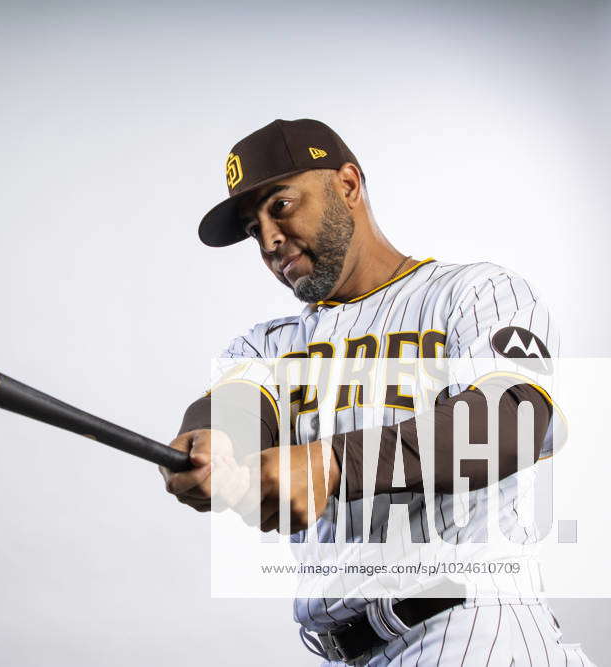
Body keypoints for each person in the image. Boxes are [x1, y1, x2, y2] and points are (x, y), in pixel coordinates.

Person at [160, 119, 593, 665]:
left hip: (471, 626)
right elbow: (237, 408)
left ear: (347, 185)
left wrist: (331, 462)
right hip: (350, 651)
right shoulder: (270, 343)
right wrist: (212, 446)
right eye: (253, 229)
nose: (268, 239)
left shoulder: (473, 293)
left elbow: (513, 418)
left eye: (281, 205)